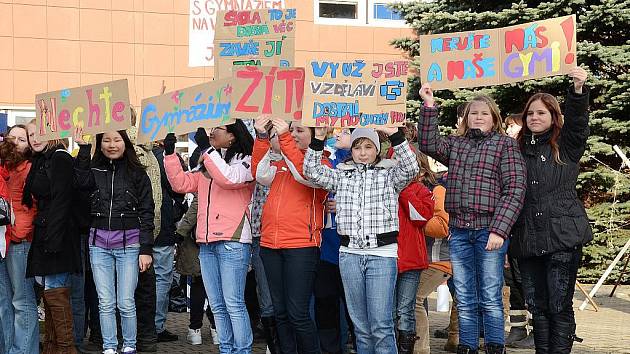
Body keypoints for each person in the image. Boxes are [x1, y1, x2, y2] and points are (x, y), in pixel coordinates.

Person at [418, 84, 527, 354]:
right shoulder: (456, 145)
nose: (478, 117)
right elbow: (429, 143)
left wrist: (499, 231)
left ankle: (494, 346)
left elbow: (514, 189)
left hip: (489, 230)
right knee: (465, 296)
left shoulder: (505, 146)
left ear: (494, 118)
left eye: (484, 113)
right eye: (472, 113)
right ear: (465, 118)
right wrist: (429, 106)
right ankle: (467, 346)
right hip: (460, 231)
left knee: (490, 296)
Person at [304, 126, 420, 354]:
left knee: (381, 325)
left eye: (368, 147)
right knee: (360, 327)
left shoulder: (389, 174)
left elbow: (411, 167)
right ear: (352, 150)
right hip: (350, 255)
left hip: (381, 255)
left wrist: (395, 135)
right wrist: (318, 139)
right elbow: (312, 171)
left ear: (377, 149)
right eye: (358, 147)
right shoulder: (341, 174)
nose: (363, 152)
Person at [511, 67, 593, 354]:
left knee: (558, 305)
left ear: (553, 117)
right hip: (528, 240)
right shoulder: (516, 149)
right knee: (538, 307)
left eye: (541, 113)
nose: (534, 117)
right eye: (530, 113)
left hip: (562, 238)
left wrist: (577, 89)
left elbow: (578, 123)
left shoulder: (566, 145)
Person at [163, 120, 255, 354]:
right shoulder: (209, 162)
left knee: (233, 303)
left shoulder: (245, 161)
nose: (211, 132)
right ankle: (226, 349)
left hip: (232, 242)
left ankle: (242, 350)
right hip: (206, 243)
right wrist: (170, 155)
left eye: (218, 129)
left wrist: (207, 150)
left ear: (233, 136)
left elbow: (229, 179)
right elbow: (181, 183)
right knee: (217, 305)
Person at [251, 116, 329, 354]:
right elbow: (259, 173)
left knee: (298, 314)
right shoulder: (283, 161)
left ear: (315, 135)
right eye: (291, 130)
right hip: (271, 245)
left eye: (299, 130)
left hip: (301, 247)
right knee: (280, 313)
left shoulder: (322, 165)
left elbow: (306, 175)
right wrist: (262, 136)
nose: (293, 134)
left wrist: (283, 137)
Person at [74, 128, 155, 354]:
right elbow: (80, 182)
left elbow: (148, 212)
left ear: (125, 142)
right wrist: (83, 148)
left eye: (117, 140)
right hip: (98, 244)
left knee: (126, 302)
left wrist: (146, 248)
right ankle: (109, 347)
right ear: (100, 144)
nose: (112, 144)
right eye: (106, 140)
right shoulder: (93, 168)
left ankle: (129, 346)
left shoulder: (137, 172)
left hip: (130, 245)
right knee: (105, 302)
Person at [24, 125, 82, 353]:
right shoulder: (42, 160)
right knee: (50, 296)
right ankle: (52, 347)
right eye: (30, 135)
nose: (34, 138)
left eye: (38, 132)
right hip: (47, 234)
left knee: (56, 295)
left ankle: (66, 349)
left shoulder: (59, 158)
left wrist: (54, 239)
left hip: (57, 236)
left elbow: (62, 200)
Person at [314, 128, 356, 354]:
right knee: (325, 303)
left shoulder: (365, 166)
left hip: (352, 249)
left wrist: (343, 206)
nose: (338, 134)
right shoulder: (329, 162)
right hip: (327, 249)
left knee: (353, 309)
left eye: (345, 131)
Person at [390, 146, 435, 354]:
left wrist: (404, 188)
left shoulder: (420, 190)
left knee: (405, 310)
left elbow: (420, 217)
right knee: (388, 312)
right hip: (386, 258)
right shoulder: (383, 186)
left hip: (411, 260)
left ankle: (406, 349)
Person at [0, 124, 39, 354]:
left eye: (21, 139)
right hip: (2, 243)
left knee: (21, 302)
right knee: (4, 302)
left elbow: (31, 208)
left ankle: (23, 350)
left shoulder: (29, 169)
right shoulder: (4, 168)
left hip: (18, 242)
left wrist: (17, 233)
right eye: (11, 137)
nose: (15, 142)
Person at [413, 157, 452, 354]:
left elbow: (442, 226)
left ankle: (421, 349)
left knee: (414, 300)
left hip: (437, 260)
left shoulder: (437, 190)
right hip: (419, 259)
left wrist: (414, 220)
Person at [249, 125, 282, 353]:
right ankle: (273, 344)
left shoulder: (297, 160)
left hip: (289, 236)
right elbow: (256, 173)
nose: (276, 139)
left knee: (287, 292)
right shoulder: (262, 160)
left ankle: (285, 341)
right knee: (266, 292)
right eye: (273, 135)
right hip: (261, 234)